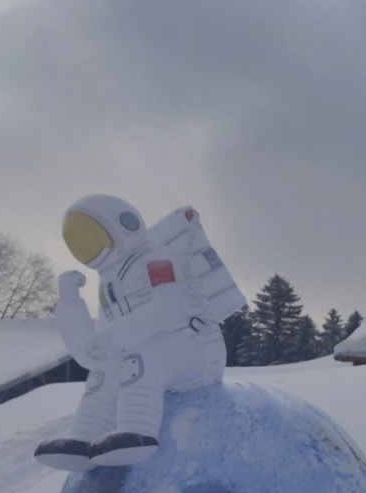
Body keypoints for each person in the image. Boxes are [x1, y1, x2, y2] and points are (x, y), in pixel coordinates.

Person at [34, 196, 245, 470]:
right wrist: (71, 304)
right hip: (154, 350)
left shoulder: (156, 258)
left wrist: (115, 337)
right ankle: (84, 439)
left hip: (195, 349)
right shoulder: (109, 282)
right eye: (80, 242)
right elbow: (90, 350)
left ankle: (137, 431)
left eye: (92, 236)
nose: (87, 246)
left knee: (141, 356)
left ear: (123, 225)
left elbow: (170, 306)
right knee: (105, 368)